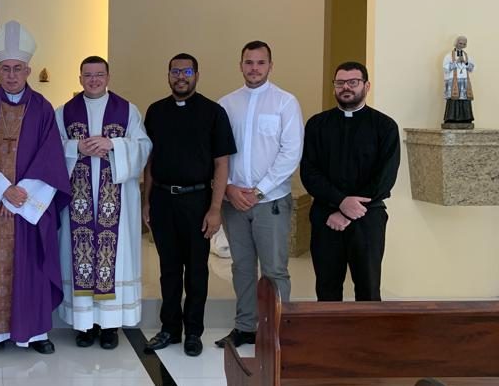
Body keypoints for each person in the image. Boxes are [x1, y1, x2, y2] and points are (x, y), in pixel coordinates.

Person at [0, 20, 71, 355]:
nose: (11, 75)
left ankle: (34, 333)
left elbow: (50, 156)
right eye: (6, 69)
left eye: (17, 69)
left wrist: (21, 193)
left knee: (32, 263)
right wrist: (2, 190)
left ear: (28, 70)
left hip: (28, 204)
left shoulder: (42, 108)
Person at [56, 56, 151, 350]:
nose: (94, 80)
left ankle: (110, 326)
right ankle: (84, 325)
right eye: (88, 75)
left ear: (108, 77)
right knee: (81, 255)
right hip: (78, 199)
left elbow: (144, 146)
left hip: (116, 201)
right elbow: (51, 148)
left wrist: (114, 145)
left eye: (99, 74)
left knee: (115, 257)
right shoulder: (64, 112)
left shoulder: (128, 110)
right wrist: (76, 147)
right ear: (79, 78)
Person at [142, 53, 235, 357]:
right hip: (162, 200)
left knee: (196, 270)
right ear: (168, 75)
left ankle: (193, 331)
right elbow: (150, 161)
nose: (180, 76)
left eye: (186, 71)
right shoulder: (156, 111)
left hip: (197, 200)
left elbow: (222, 164)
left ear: (197, 75)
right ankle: (169, 328)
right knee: (168, 268)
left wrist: (215, 208)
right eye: (175, 71)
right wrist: (146, 201)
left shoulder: (213, 112)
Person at [215, 41, 303, 349]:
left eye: (260, 62)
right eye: (249, 62)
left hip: (271, 202)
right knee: (241, 267)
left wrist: (260, 189)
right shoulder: (226, 104)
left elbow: (291, 152)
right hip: (234, 201)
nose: (254, 68)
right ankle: (245, 327)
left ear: (270, 66)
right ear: (240, 65)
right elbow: (218, 154)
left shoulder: (285, 103)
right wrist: (228, 188)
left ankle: (277, 330)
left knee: (274, 269)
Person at [300, 61, 400, 302]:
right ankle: (330, 329)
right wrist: (340, 202)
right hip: (326, 218)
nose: (346, 87)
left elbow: (385, 177)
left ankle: (367, 330)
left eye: (353, 82)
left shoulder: (385, 126)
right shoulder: (317, 124)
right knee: (327, 289)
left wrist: (347, 210)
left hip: (368, 218)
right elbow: (309, 172)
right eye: (340, 83)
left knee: (368, 289)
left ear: (366, 86)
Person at [442, 35, 475, 127]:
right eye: (460, 43)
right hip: (454, 81)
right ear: (456, 43)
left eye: (464, 44)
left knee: (464, 99)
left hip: (464, 82)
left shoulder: (467, 56)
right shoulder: (449, 56)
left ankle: (466, 118)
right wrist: (456, 62)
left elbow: (472, 68)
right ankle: (451, 118)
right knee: (454, 99)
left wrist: (466, 62)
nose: (462, 45)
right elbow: (445, 68)